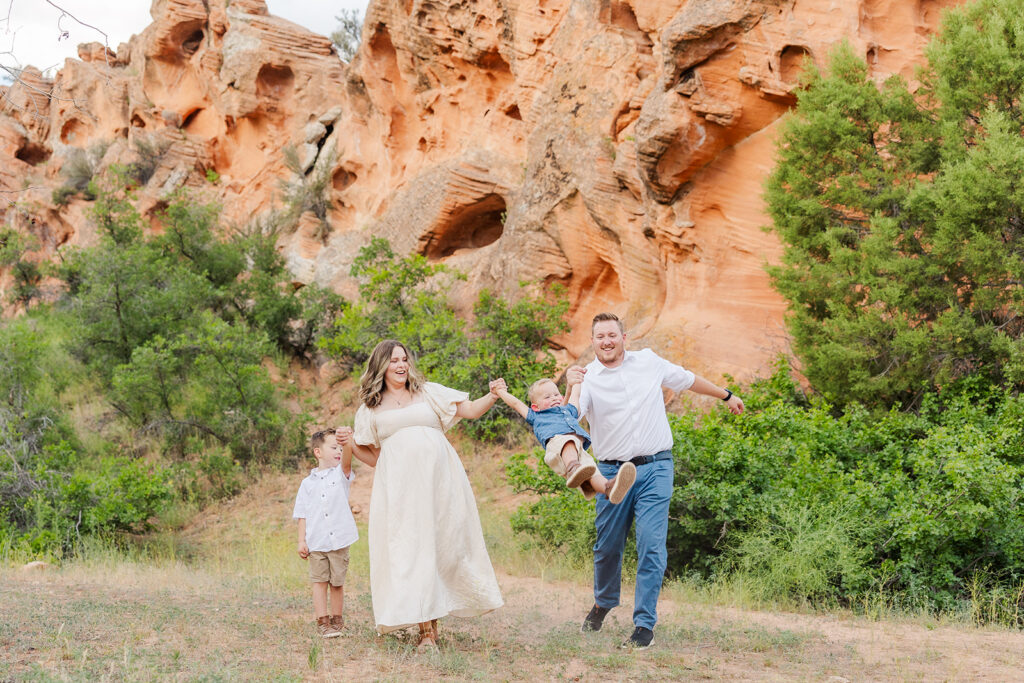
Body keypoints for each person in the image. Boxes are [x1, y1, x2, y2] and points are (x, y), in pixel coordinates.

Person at [569, 312, 744, 650]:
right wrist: (572, 386)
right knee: (607, 548)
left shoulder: (647, 361)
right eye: (600, 336)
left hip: (655, 468)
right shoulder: (587, 377)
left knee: (651, 546)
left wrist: (725, 395)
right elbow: (571, 418)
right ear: (592, 342)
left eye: (612, 335)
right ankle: (604, 601)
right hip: (611, 473)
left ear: (624, 338)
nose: (607, 341)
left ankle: (643, 624)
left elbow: (687, 379)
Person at [336, 340, 504, 651]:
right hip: (401, 488)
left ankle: (445, 611)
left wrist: (492, 395)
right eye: (393, 360)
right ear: (381, 367)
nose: (400, 365)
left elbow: (468, 411)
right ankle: (427, 632)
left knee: (445, 546)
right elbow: (374, 457)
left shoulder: (428, 392)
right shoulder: (371, 409)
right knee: (414, 550)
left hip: (441, 482)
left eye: (404, 359)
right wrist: (348, 443)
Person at [489, 376, 636, 503]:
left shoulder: (568, 410)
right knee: (568, 441)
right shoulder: (536, 416)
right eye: (547, 397)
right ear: (536, 407)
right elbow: (516, 404)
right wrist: (500, 391)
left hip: (578, 452)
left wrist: (577, 381)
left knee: (592, 471)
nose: (553, 398)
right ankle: (573, 468)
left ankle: (608, 488)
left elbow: (575, 395)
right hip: (556, 449)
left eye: (556, 394)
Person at [293, 428, 358, 639]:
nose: (338, 451)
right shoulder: (307, 484)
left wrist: (346, 442)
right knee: (319, 582)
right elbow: (302, 513)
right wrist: (301, 540)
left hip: (339, 540)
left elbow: (347, 460)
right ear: (318, 452)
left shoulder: (341, 475)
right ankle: (323, 621)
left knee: (337, 583)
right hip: (317, 541)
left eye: (340, 448)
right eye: (333, 447)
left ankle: (337, 620)